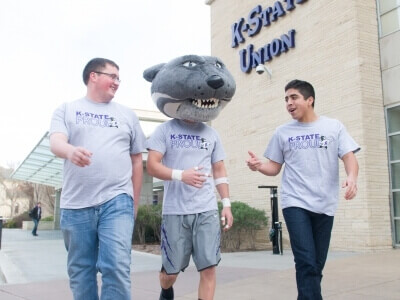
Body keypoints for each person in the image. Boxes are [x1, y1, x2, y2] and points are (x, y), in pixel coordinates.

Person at [246, 79, 360, 300]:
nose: (288, 102)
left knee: (316, 265)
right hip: (294, 202)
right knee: (306, 261)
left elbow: (349, 156)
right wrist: (260, 166)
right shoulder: (282, 132)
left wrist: (352, 178)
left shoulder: (333, 126)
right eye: (286, 99)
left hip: (325, 204)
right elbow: (274, 168)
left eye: (293, 97)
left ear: (310, 100)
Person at [49, 57, 146, 300]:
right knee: (81, 271)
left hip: (117, 200)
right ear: (93, 76)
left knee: (117, 266)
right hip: (75, 204)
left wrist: (133, 202)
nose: (117, 82)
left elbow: (136, 160)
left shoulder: (127, 115)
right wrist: (71, 151)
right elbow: (56, 142)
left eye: (118, 78)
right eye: (112, 76)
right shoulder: (67, 109)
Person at [143, 55, 236, 300]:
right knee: (170, 271)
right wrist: (180, 175)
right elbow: (152, 166)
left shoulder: (211, 134)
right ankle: (166, 289)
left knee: (209, 267)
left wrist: (226, 204)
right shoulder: (164, 131)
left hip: (205, 210)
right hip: (175, 212)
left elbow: (219, 170)